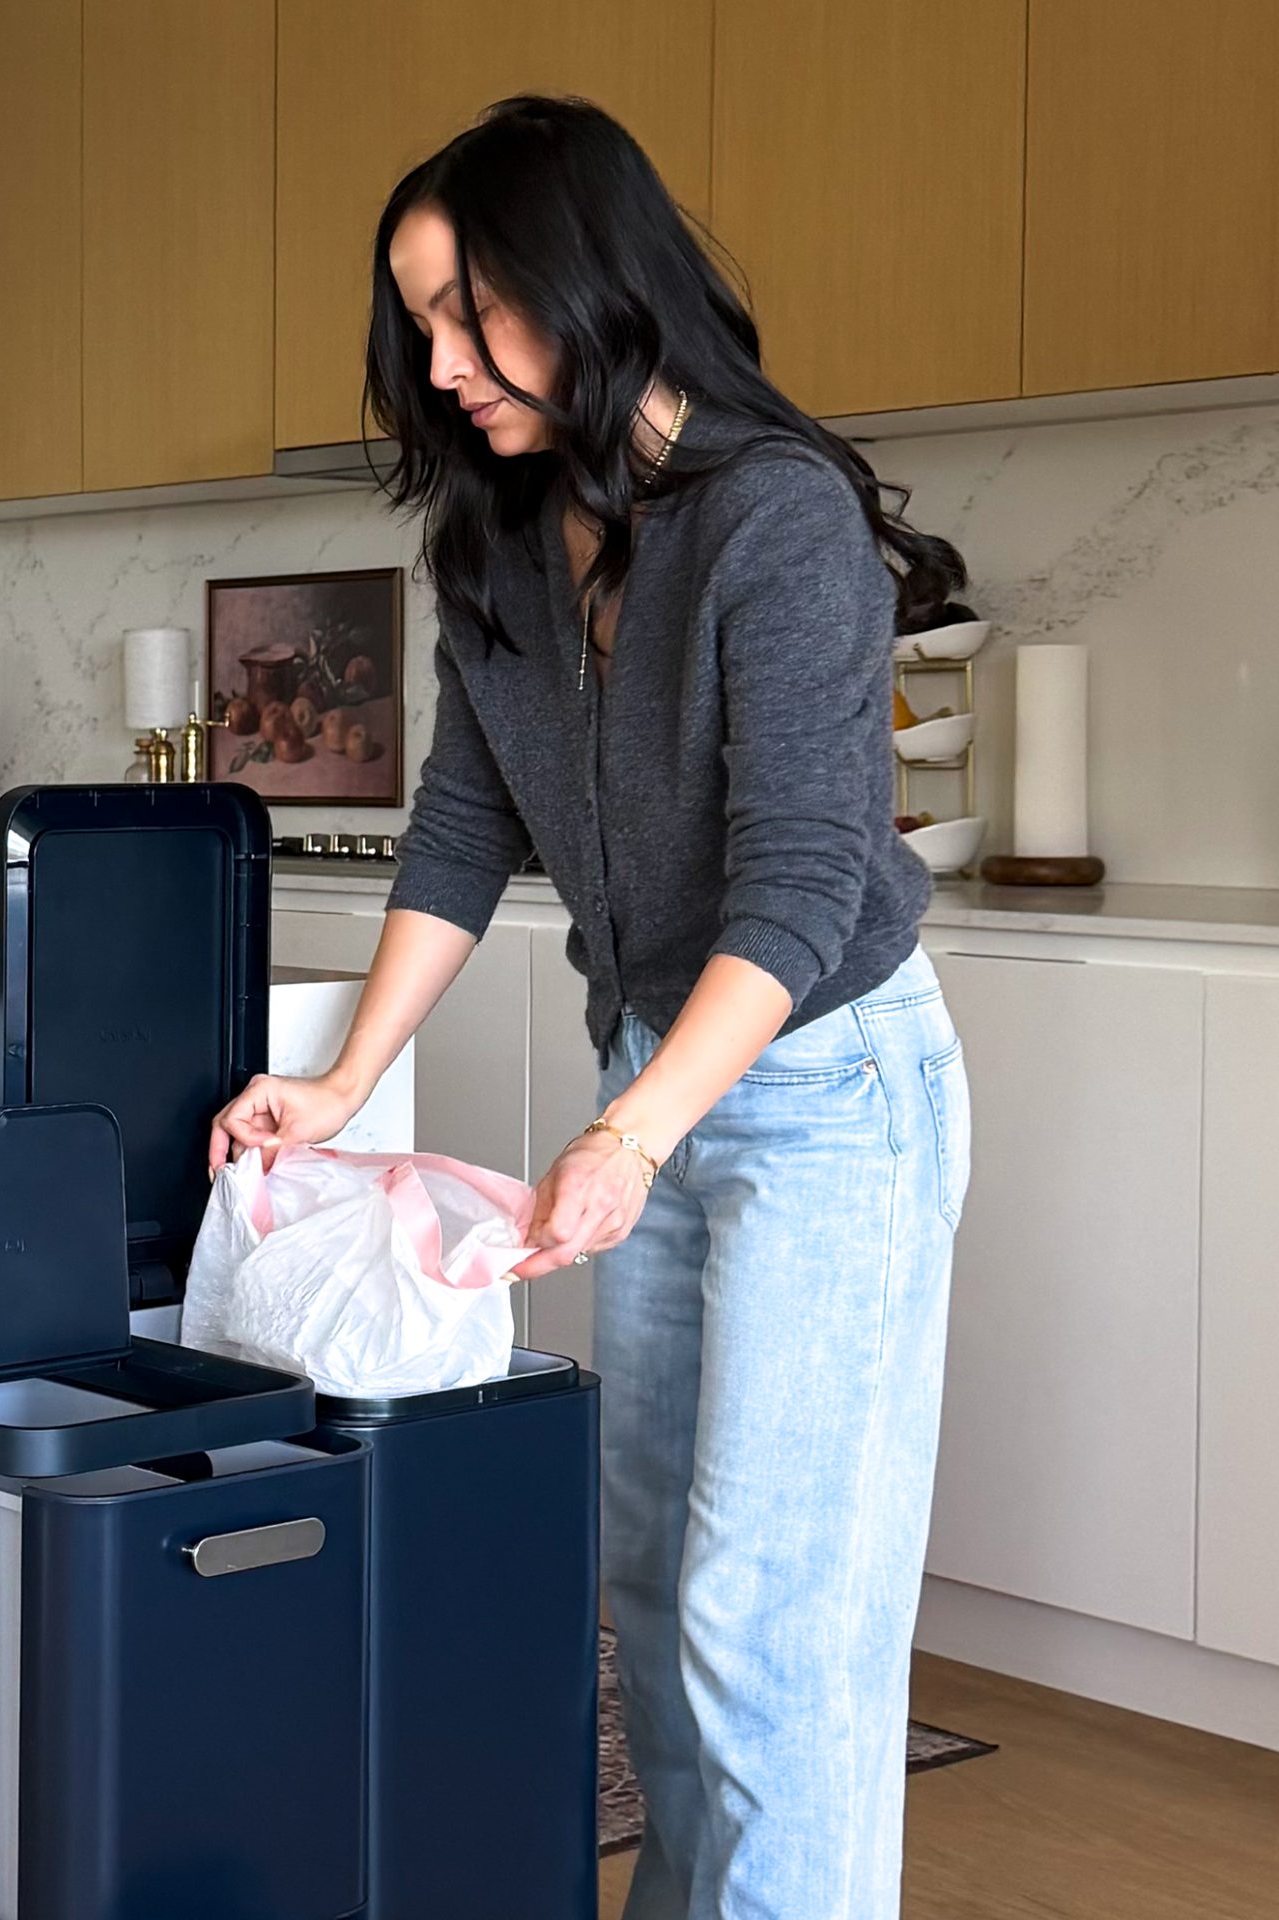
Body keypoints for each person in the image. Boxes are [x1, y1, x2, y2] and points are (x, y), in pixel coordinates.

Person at [208, 97, 974, 1920]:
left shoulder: (774, 520)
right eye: (421, 327)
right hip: (663, 1088)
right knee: (653, 1599)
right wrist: (341, 1077)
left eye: (475, 312)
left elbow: (799, 881)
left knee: (770, 1633)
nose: (445, 365)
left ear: (587, 275)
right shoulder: (501, 540)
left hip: (823, 1093)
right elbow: (465, 828)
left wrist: (635, 1128)